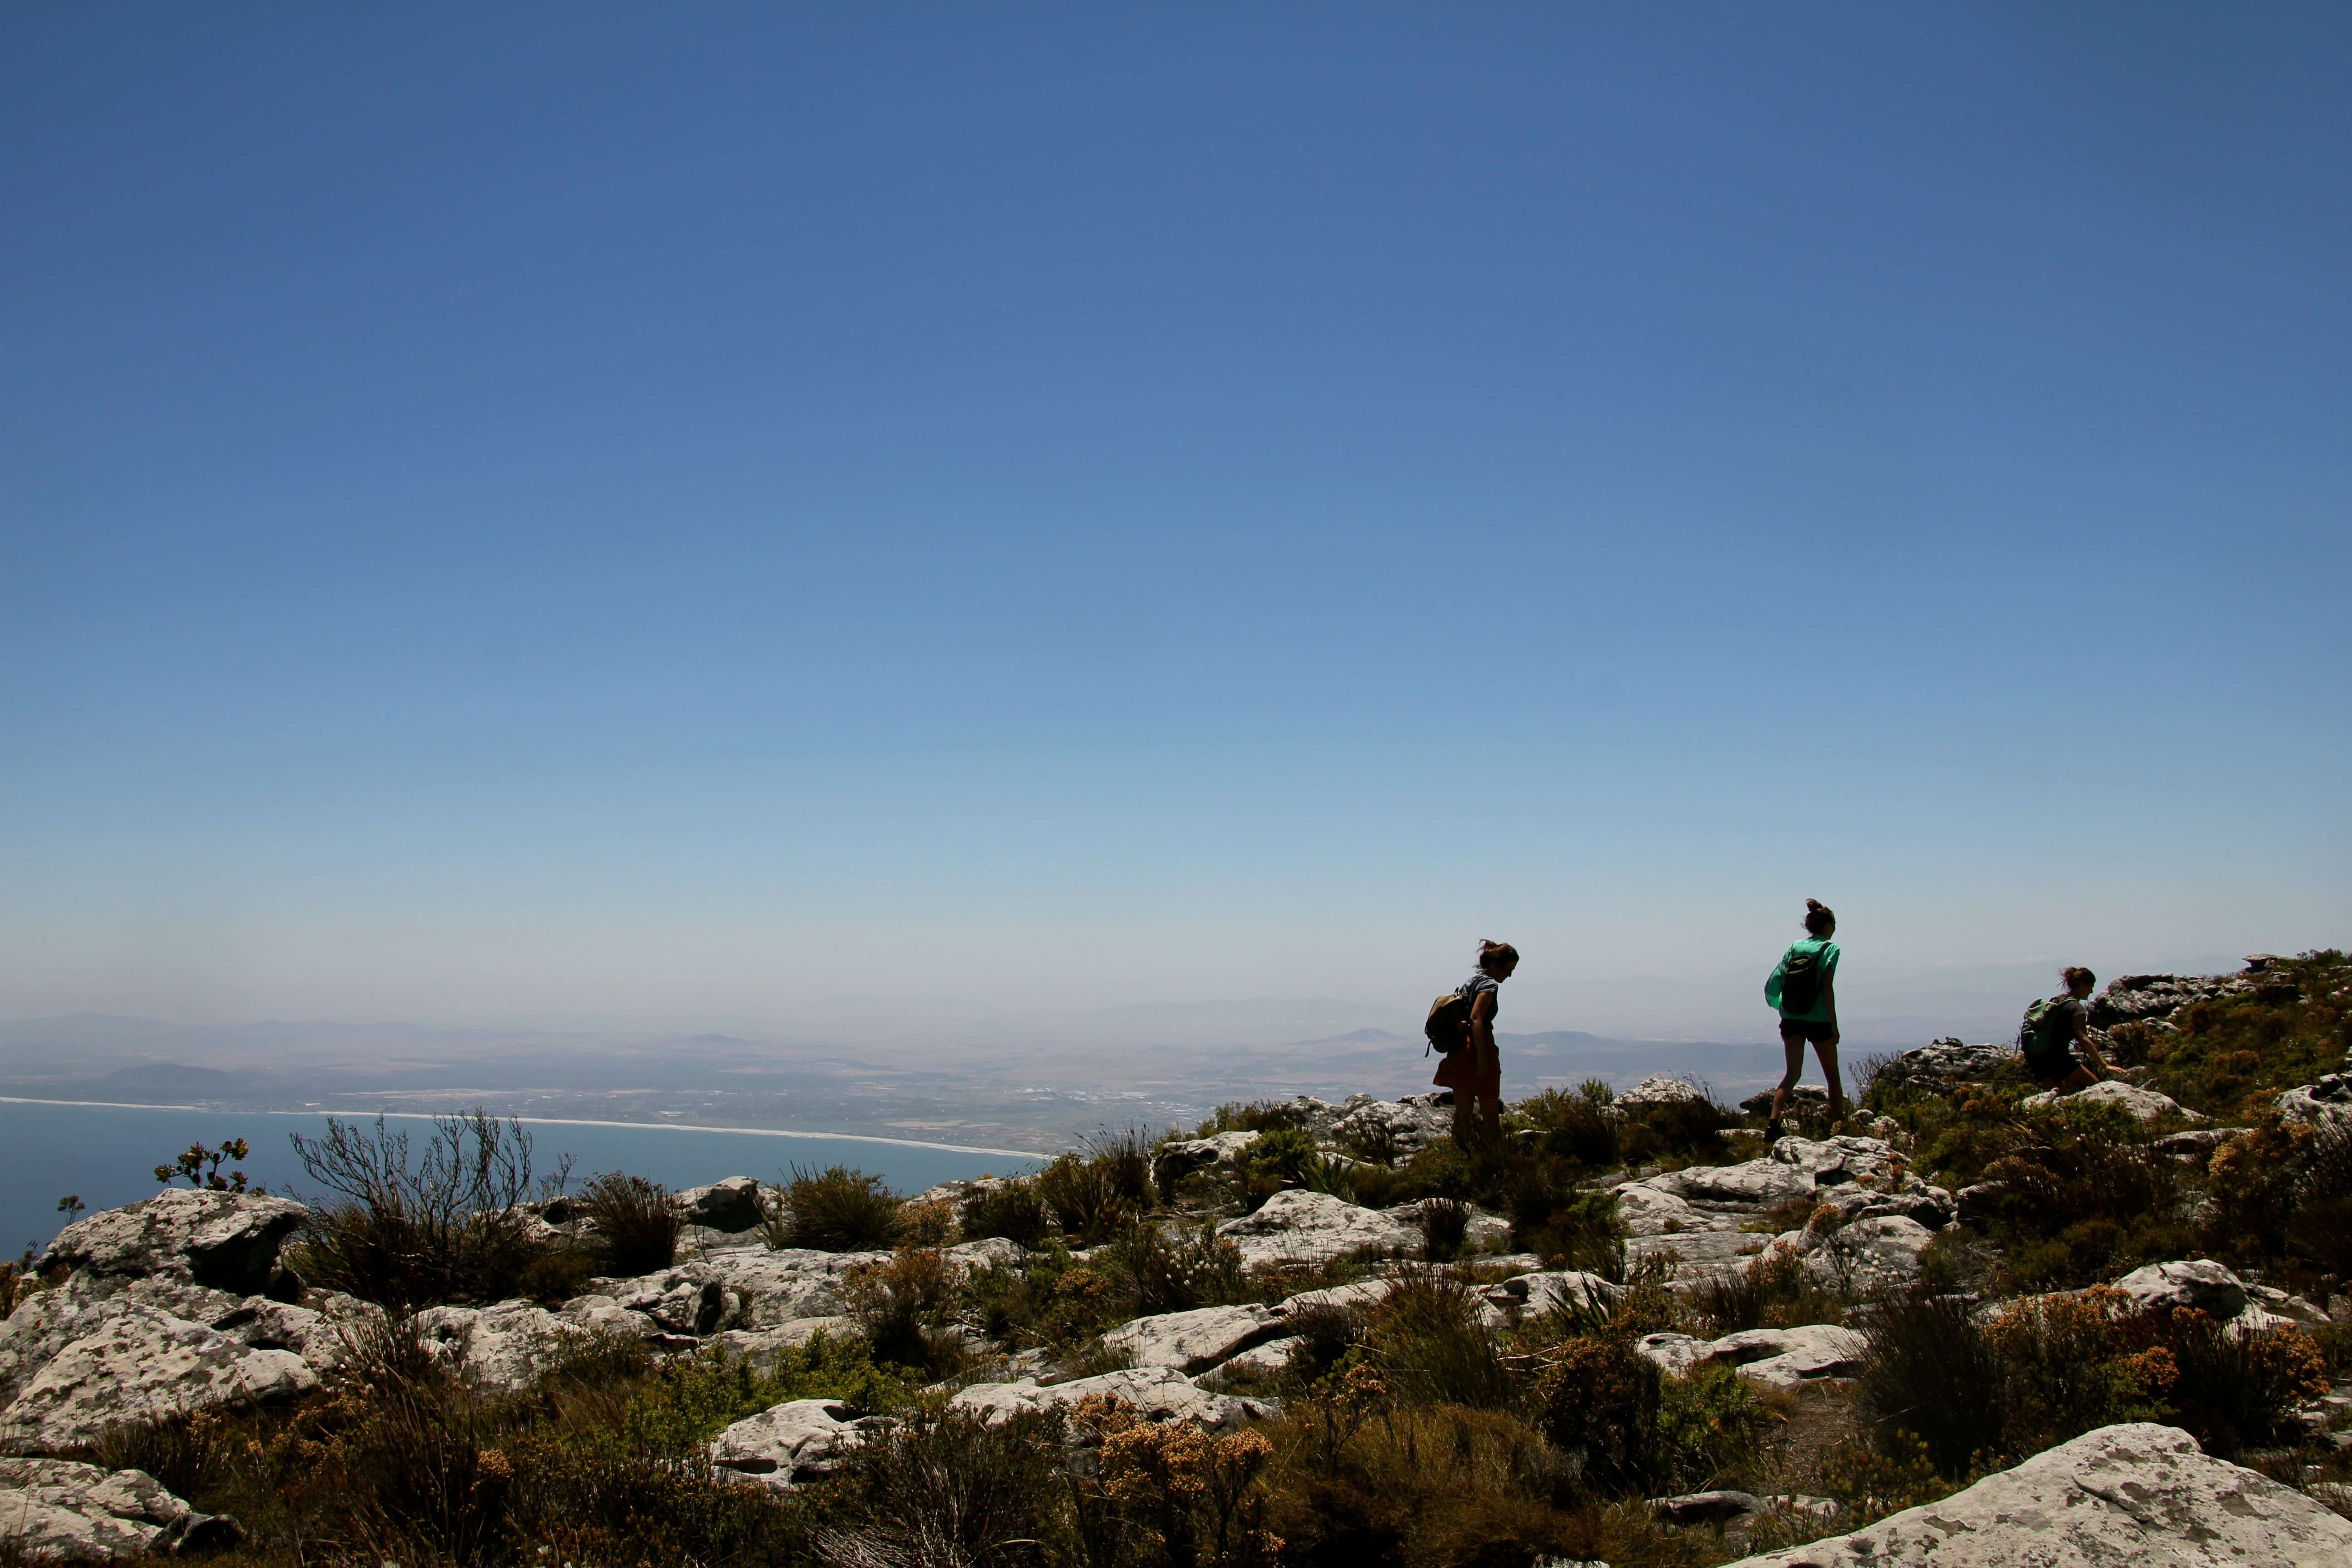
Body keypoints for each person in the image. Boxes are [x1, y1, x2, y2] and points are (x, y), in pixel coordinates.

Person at [1764, 899, 1845, 1134]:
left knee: (1792, 1074)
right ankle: (1839, 1128)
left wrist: (1780, 1005)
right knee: (1833, 1078)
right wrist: (1834, 1024)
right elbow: (1827, 987)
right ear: (1828, 926)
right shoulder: (1831, 949)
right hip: (1819, 1020)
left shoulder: (1795, 947)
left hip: (1791, 1018)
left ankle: (1773, 1124)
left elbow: (1778, 978)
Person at [1435, 939, 1517, 1145]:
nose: (1509, 975)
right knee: (1490, 1115)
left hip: (1459, 1050)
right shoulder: (1489, 985)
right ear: (1497, 965)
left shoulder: (1470, 982)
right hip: (1479, 1048)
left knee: (1463, 1115)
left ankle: (1458, 1158)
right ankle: (1496, 1161)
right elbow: (1476, 1018)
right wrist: (1482, 1058)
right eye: (1509, 969)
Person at [2020, 967, 2114, 1092]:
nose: (2091, 991)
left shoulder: (2058, 1000)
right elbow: (2083, 1039)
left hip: (2035, 1059)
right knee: (2097, 1090)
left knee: (2059, 1099)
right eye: (2091, 986)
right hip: (2057, 1058)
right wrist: (2105, 1065)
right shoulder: (2076, 1008)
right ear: (2082, 985)